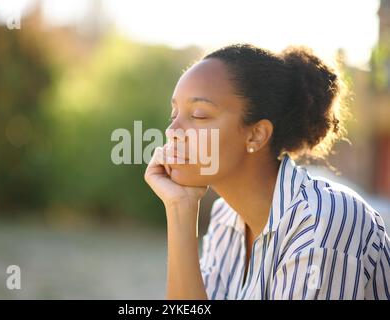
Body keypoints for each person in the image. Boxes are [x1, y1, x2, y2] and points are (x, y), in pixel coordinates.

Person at [144, 43, 390, 300]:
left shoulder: (323, 220)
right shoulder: (224, 218)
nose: (172, 131)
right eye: (175, 114)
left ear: (256, 135)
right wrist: (180, 208)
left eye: (199, 115)